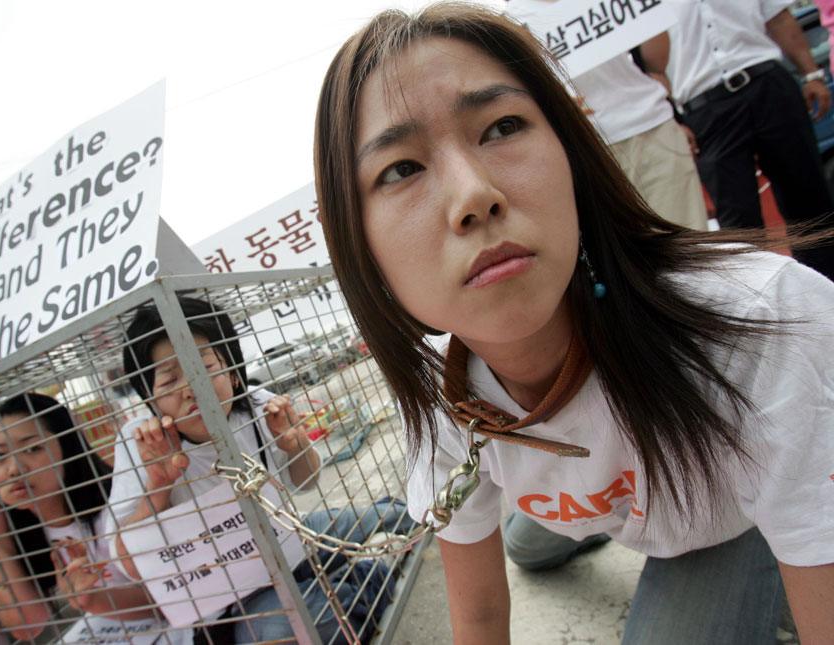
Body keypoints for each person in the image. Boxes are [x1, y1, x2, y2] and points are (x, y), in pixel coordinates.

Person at [313, 4, 834, 644]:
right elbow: (476, 617)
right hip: (596, 508)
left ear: (572, 152)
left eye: (502, 126)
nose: (473, 195)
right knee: (527, 549)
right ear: (357, 244)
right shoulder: (435, 389)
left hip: (726, 519)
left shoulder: (765, 322)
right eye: (401, 168)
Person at [107, 295, 410, 644]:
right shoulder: (140, 444)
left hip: (286, 537)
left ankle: (363, 558)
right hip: (232, 597)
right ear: (151, 399)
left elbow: (309, 481)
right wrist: (159, 482)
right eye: (168, 380)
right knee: (310, 624)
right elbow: (128, 563)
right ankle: (364, 578)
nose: (191, 388)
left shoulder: (258, 406)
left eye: (203, 367)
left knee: (383, 516)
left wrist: (293, 444)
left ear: (233, 373)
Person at [0, 392, 187, 643]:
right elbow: (25, 627)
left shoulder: (119, 505)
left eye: (32, 448)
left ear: (67, 447)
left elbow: (179, 596)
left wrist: (94, 601)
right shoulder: (20, 532)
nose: (14, 469)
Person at [641, 0, 834, 280]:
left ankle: (827, 290)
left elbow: (778, 18)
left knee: (809, 202)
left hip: (768, 84)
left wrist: (811, 74)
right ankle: (766, 309)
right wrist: (673, 118)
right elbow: (650, 67)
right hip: (705, 108)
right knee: (740, 227)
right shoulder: (642, 4)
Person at [504, 3, 708, 230]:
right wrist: (552, 104)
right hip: (587, 150)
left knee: (688, 239)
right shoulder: (512, 20)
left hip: (651, 126)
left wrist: (650, 15)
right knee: (626, 253)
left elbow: (655, 63)